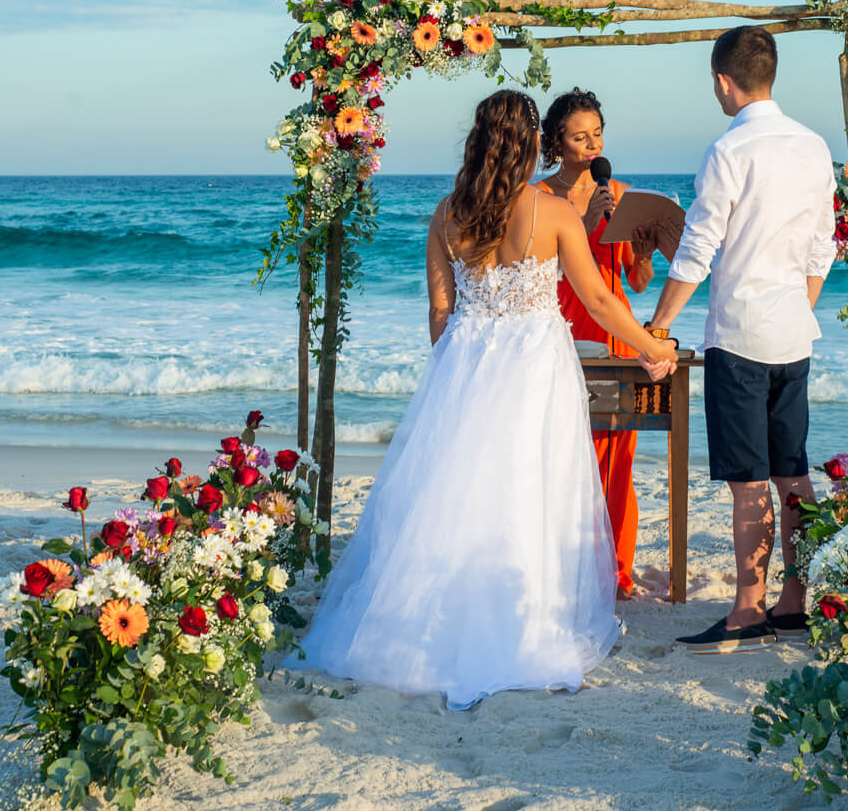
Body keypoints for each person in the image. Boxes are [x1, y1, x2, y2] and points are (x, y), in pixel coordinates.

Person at [290, 90, 677, 708]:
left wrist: (459, 371)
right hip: (534, 366)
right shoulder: (551, 213)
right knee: (530, 485)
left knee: (459, 487)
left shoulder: (446, 214)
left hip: (467, 363)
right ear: (532, 145)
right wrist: (651, 349)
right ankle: (521, 619)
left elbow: (440, 314)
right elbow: (600, 303)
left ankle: (433, 618)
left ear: (478, 141)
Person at [646, 26, 835, 653]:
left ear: (724, 81)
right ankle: (795, 604)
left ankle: (748, 611)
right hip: (793, 332)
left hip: (740, 336)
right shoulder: (813, 147)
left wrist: (660, 325)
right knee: (794, 474)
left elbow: (698, 248)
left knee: (750, 481)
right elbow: (821, 248)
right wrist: (793, 308)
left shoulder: (730, 150)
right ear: (770, 74)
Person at [537, 89, 660, 599]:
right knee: (564, 458)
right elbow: (538, 277)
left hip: (619, 337)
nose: (591, 145)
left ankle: (616, 572)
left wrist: (646, 252)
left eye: (597, 134)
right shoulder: (541, 200)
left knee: (617, 460)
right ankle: (561, 568)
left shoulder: (622, 193)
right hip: (564, 332)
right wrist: (583, 230)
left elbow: (636, 282)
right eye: (578, 136)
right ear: (556, 143)